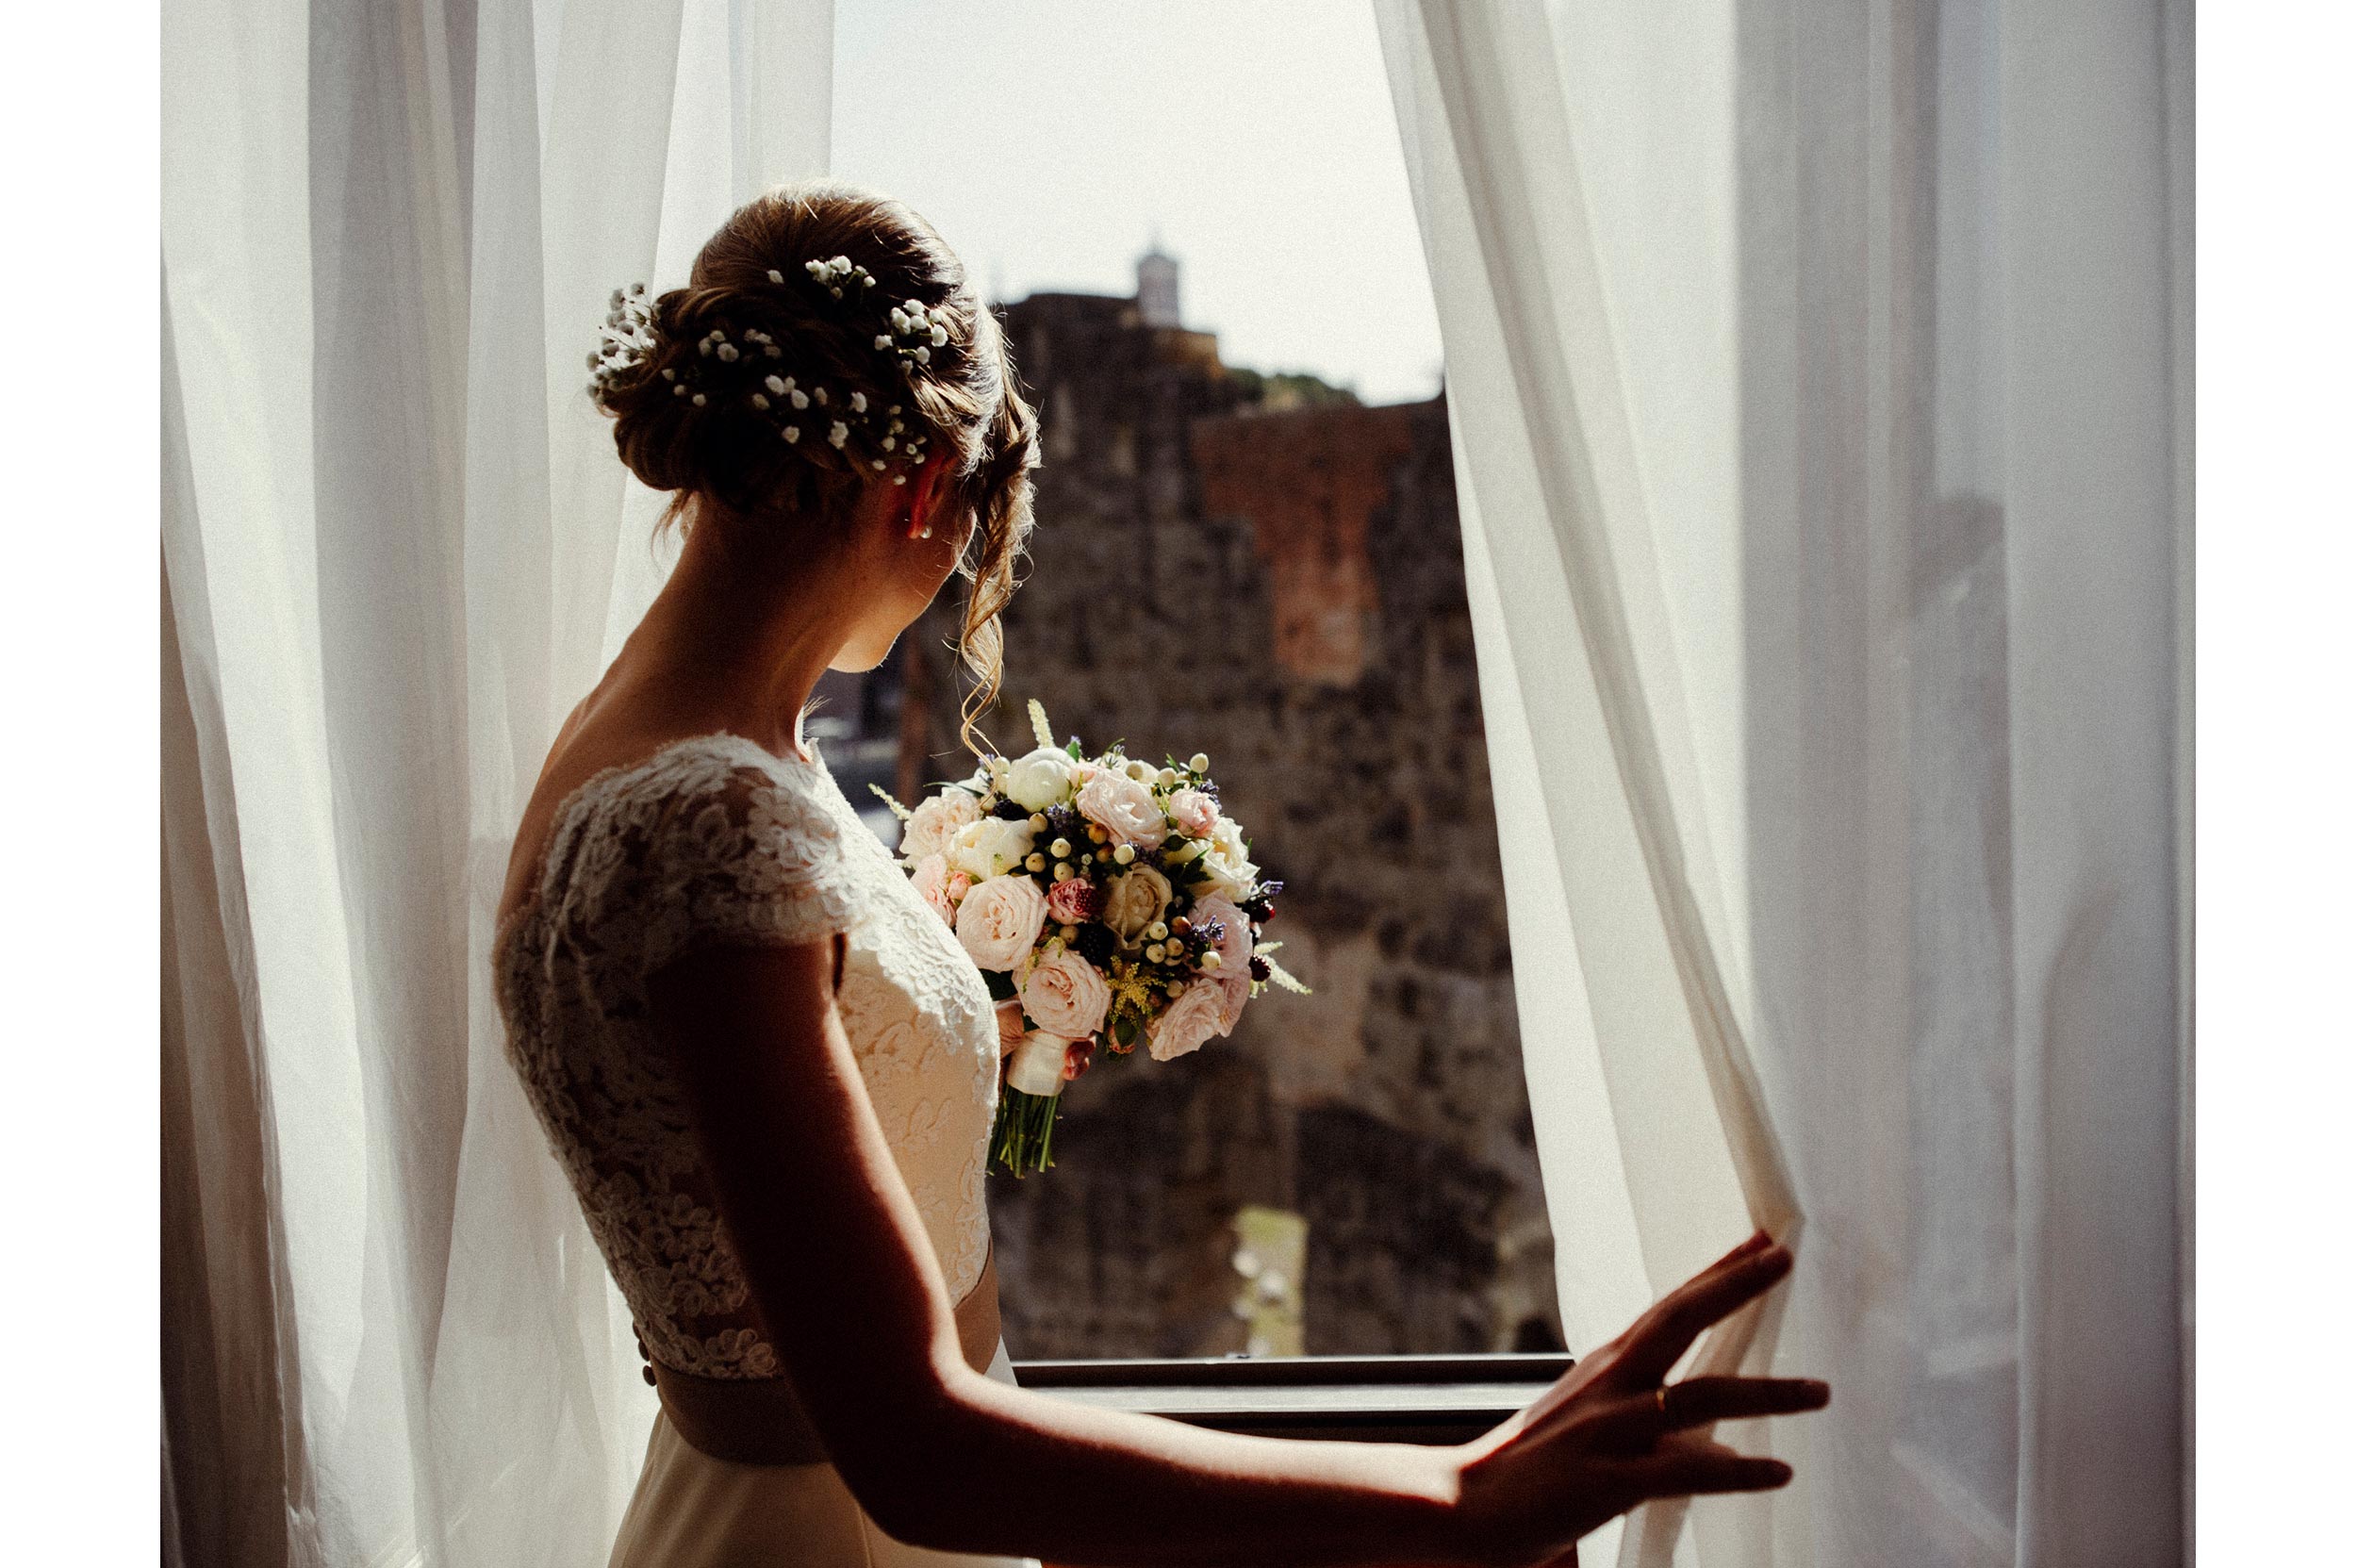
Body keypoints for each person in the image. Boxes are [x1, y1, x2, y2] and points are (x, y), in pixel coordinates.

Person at [491, 179, 1827, 1568]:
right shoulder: (713, 824)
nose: (959, 581)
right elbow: (914, 1448)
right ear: (926, 490)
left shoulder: (633, 746)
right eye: (973, 542)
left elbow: (715, 1125)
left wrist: (956, 1024)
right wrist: (1454, 1503)